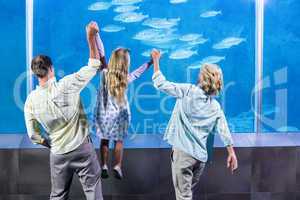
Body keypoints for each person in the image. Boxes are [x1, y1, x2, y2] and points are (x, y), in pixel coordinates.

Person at [24, 21, 103, 200]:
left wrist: (51, 144)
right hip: (83, 149)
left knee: (58, 196)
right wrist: (90, 36)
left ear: (35, 73)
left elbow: (33, 135)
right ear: (51, 68)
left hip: (58, 153)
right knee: (93, 193)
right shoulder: (67, 85)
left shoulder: (30, 102)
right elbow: (94, 64)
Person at [150, 49, 238, 200]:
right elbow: (224, 130)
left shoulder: (188, 91)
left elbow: (161, 84)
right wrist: (231, 153)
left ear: (202, 77)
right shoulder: (215, 106)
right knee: (186, 193)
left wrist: (156, 60)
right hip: (200, 159)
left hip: (183, 155)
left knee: (183, 196)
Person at [94, 34, 153, 179]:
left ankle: (104, 165)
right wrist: (150, 62)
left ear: (113, 61)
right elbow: (138, 73)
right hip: (122, 115)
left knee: (104, 140)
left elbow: (101, 54)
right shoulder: (126, 78)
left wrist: (96, 35)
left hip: (105, 115)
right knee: (119, 140)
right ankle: (117, 165)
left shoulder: (105, 74)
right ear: (126, 64)